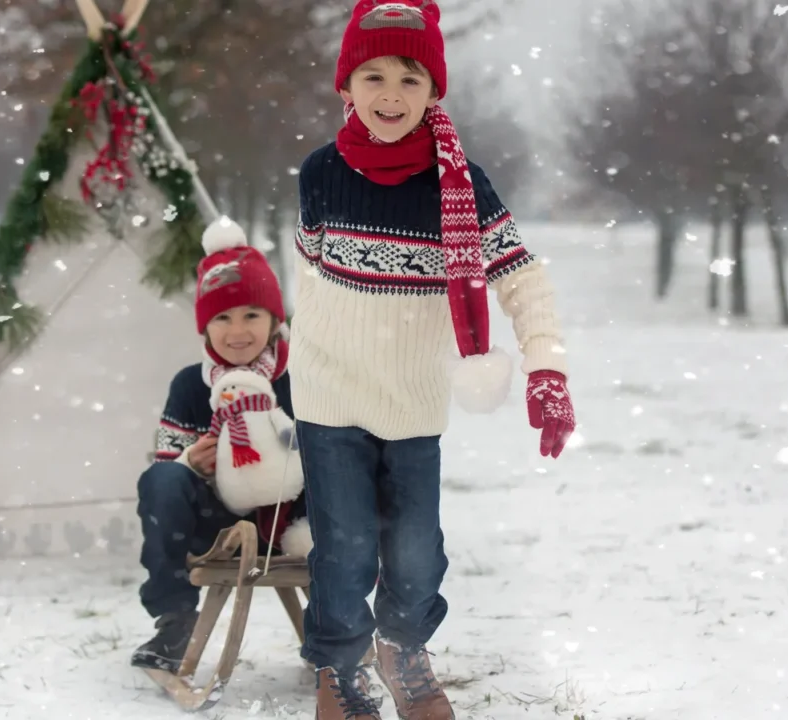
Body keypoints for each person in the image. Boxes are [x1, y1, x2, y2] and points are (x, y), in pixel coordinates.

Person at [289, 2, 579, 718]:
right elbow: (312, 281)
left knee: (417, 555)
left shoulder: (462, 185)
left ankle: (404, 651)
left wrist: (546, 367)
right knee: (346, 546)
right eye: (374, 74)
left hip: (413, 398)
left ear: (433, 92)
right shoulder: (321, 174)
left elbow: (520, 275)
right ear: (346, 86)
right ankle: (342, 667)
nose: (391, 94)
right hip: (330, 394)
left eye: (411, 79)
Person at [131, 216, 296, 674]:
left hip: (287, 522)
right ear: (205, 329)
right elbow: (169, 467)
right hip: (215, 525)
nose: (237, 331)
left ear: (273, 320)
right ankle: (175, 619)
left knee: (337, 477)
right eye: (222, 317)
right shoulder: (192, 385)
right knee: (162, 478)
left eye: (251, 315)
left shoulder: (298, 380)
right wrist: (191, 462)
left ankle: (334, 628)